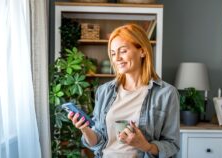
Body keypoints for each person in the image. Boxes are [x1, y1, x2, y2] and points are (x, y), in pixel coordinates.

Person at [68, 23, 180, 158]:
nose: (117, 58)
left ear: (142, 51)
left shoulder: (166, 94)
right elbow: (97, 142)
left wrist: (146, 146)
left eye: (123, 51)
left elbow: (172, 145)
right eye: (113, 53)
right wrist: (84, 128)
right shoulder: (104, 91)